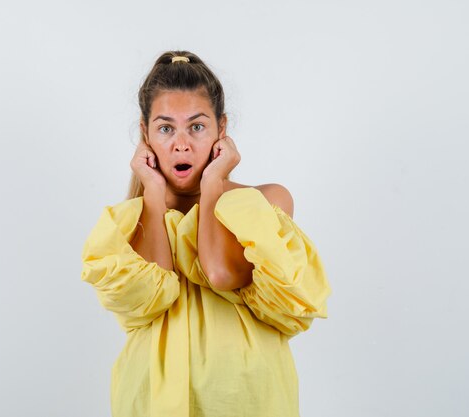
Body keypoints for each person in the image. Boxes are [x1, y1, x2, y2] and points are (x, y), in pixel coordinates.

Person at [81, 50, 331, 417]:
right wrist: (151, 191)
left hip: (246, 401)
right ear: (144, 133)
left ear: (222, 130)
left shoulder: (263, 203)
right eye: (166, 128)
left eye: (196, 127)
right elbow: (153, 295)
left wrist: (214, 182)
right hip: (151, 400)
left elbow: (220, 273)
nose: (181, 144)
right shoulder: (127, 224)